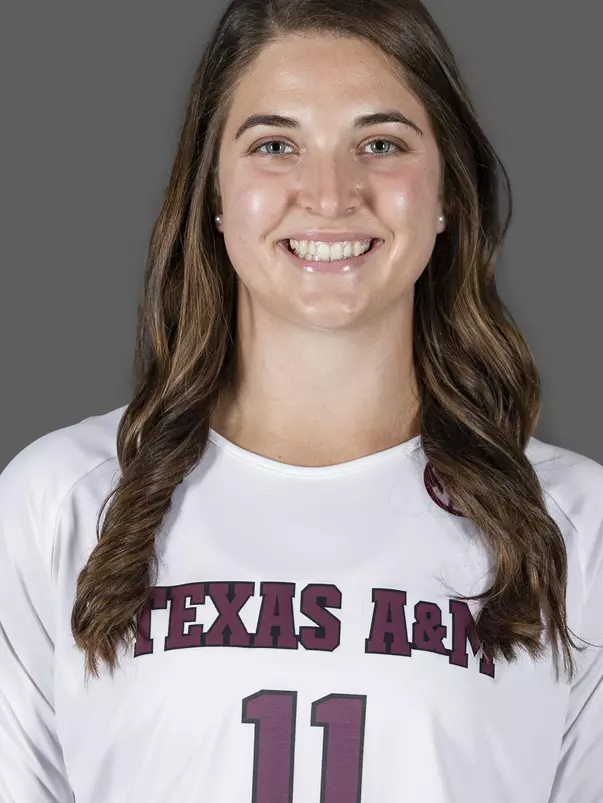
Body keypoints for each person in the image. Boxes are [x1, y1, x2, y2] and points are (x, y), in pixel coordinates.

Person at [1, 0, 602, 800]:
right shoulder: (58, 503)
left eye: (380, 143)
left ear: (446, 194)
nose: (329, 193)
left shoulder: (574, 523)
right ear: (214, 194)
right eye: (275, 145)